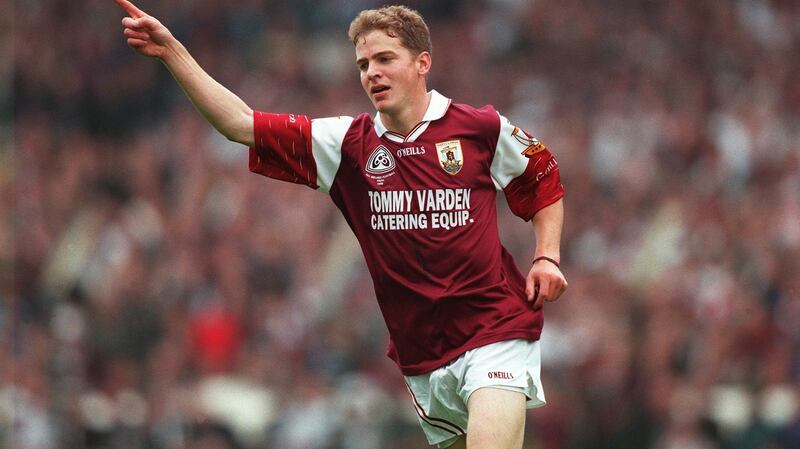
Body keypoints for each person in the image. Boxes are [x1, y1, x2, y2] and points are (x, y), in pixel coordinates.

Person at [114, 1, 568, 448]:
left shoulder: (480, 127)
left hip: (495, 331)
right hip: (422, 355)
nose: (372, 72)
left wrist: (546, 255)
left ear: (422, 62)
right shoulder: (347, 144)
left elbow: (542, 177)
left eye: (385, 59)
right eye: (364, 64)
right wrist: (173, 52)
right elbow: (240, 124)